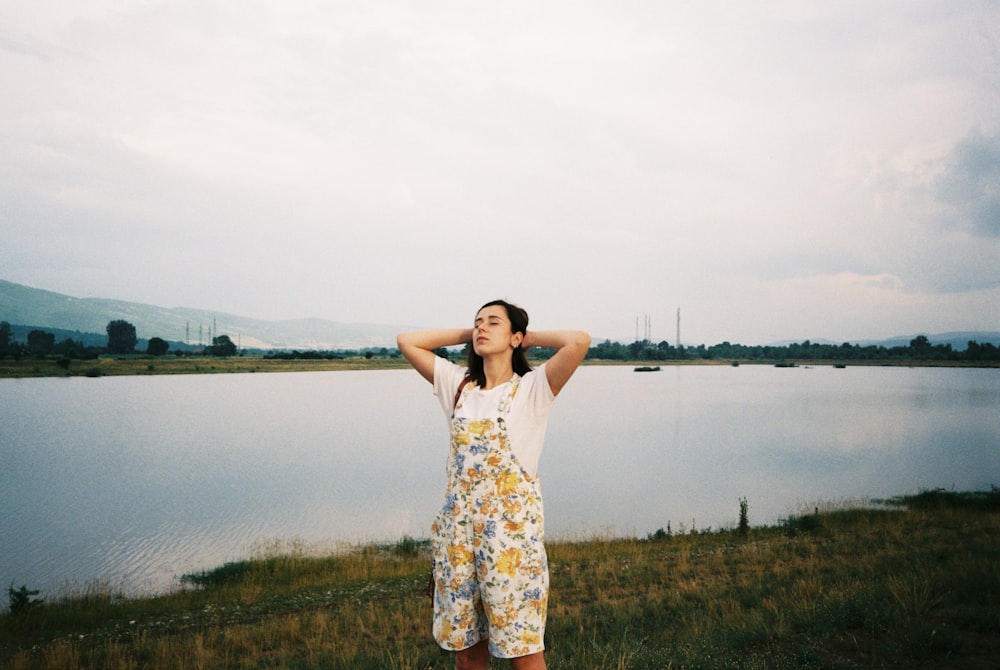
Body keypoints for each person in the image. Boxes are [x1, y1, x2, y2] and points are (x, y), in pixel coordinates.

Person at [397, 300, 590, 670]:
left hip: (510, 547)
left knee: (523, 653)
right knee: (468, 653)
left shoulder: (532, 390)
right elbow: (407, 341)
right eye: (477, 323)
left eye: (493, 323)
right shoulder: (459, 387)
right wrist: (469, 334)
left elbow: (578, 341)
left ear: (516, 337)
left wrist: (526, 337)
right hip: (458, 543)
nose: (481, 328)